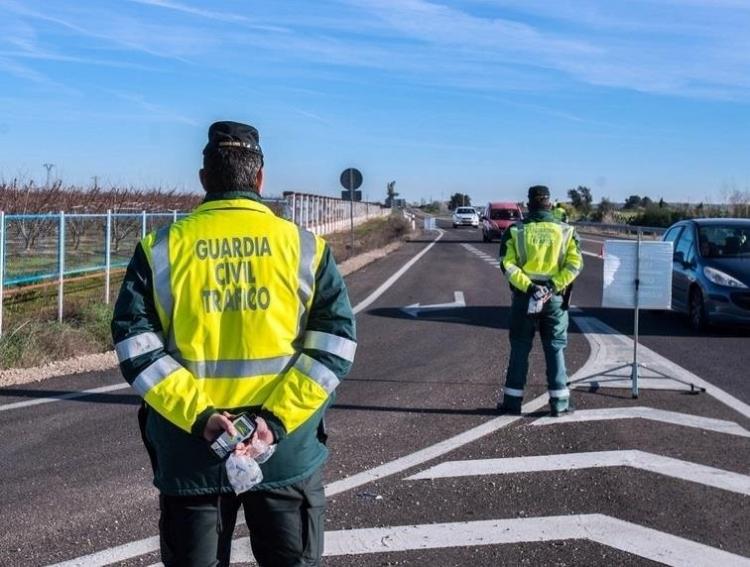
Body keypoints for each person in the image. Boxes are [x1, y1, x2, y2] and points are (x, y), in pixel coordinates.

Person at [111, 121, 356, 566]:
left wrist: (202, 418)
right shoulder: (306, 249)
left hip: (193, 453)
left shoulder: (160, 250)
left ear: (204, 179)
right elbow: (334, 345)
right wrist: (274, 423)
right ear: (260, 178)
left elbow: (135, 346)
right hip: (284, 454)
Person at [496, 185, 583, 417]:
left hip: (525, 297)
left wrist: (531, 287)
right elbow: (575, 265)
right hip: (554, 298)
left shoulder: (516, 231)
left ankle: (512, 403)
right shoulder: (566, 231)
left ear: (528, 204)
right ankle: (560, 404)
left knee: (520, 347)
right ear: (550, 203)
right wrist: (552, 287)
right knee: (555, 347)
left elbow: (507, 264)